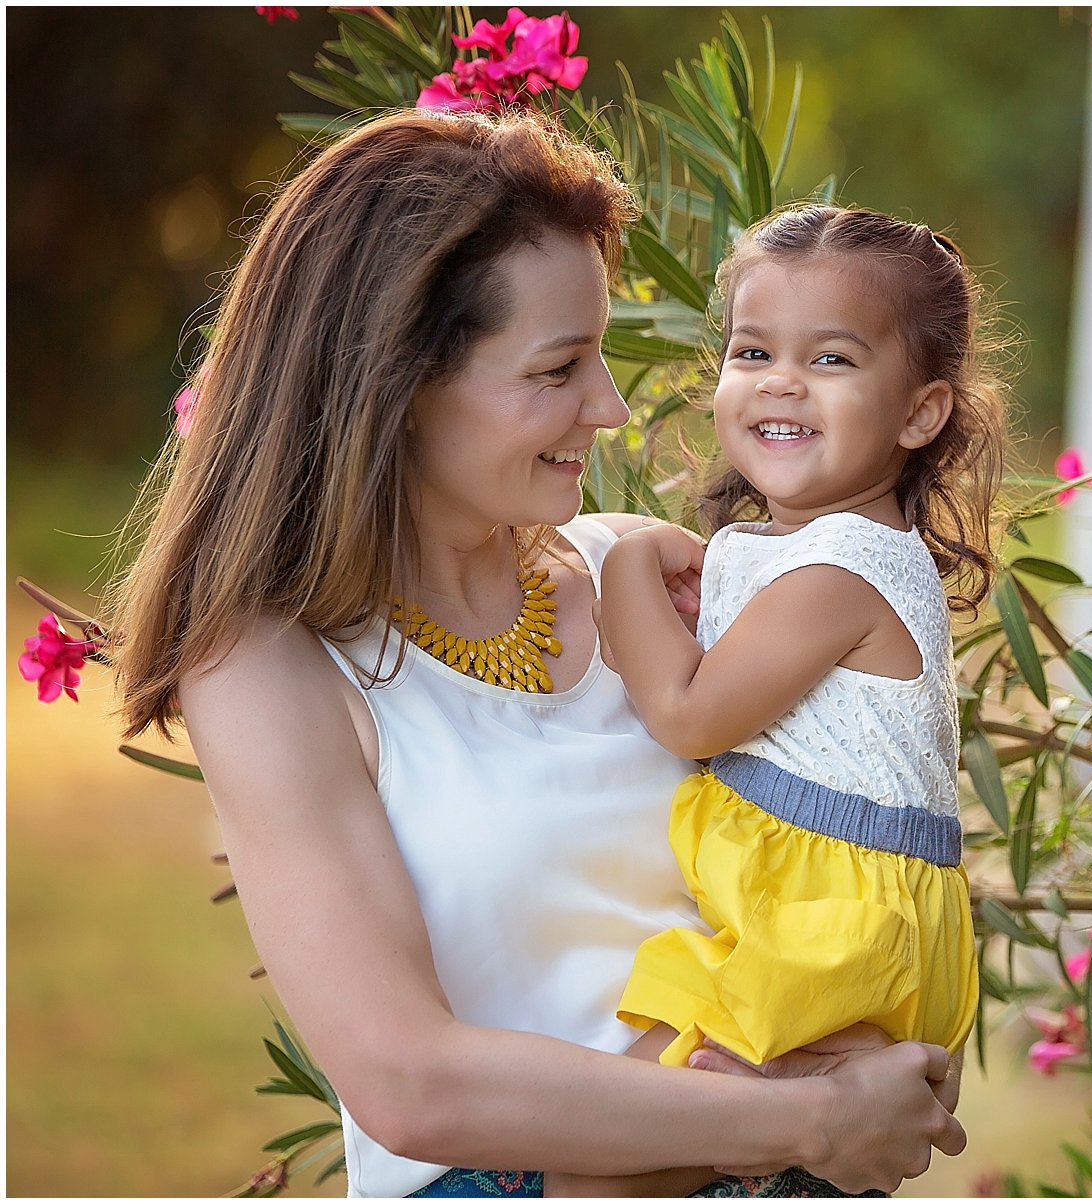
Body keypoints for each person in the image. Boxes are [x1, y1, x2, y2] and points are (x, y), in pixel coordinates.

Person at [103, 109, 965, 1199]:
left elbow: (866, 827)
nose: (605, 409)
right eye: (559, 368)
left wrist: (861, 1082)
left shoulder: (643, 582)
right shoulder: (271, 671)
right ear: (398, 385)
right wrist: (808, 1118)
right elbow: (408, 1080)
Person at [544, 206, 1006, 1197]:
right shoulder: (813, 552)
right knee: (650, 1152)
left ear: (920, 413)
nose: (781, 381)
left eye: (832, 360)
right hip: (825, 906)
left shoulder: (843, 566)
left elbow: (685, 713)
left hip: (831, 921)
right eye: (753, 350)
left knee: (612, 1153)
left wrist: (626, 559)